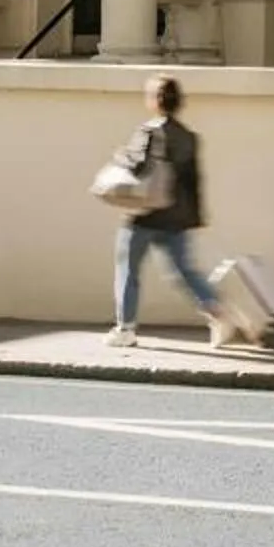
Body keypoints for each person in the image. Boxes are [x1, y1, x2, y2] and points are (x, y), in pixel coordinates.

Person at [107, 74, 237, 350]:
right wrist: (195, 217)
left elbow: (138, 169)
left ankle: (125, 329)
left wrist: (121, 156)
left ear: (155, 100)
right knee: (185, 272)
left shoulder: (149, 131)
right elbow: (194, 181)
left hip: (143, 215)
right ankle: (218, 313)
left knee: (128, 271)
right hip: (176, 216)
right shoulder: (189, 137)